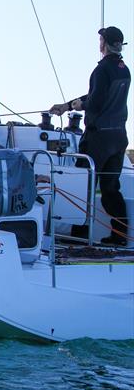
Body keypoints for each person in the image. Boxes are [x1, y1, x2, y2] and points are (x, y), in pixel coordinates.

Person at [50, 26, 130, 246]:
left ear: (103, 43)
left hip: (98, 139)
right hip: (118, 137)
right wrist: (67, 105)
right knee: (111, 188)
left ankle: (79, 234)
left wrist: (80, 104)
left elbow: (95, 101)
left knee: (82, 185)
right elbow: (100, 95)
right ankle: (120, 236)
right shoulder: (124, 69)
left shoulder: (102, 69)